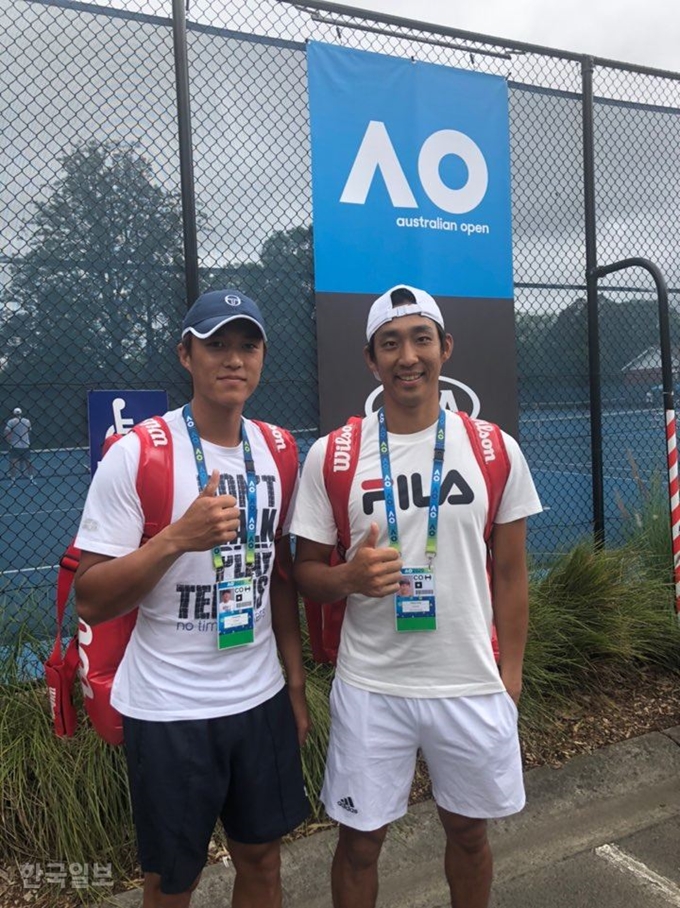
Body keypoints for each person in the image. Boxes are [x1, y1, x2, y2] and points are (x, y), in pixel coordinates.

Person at [292, 284, 542, 908]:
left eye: (421, 339)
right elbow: (303, 573)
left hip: (468, 682)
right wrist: (347, 578)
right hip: (372, 686)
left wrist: (508, 674)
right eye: (391, 343)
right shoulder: (335, 454)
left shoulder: (493, 448)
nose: (408, 356)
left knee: (468, 835)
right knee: (358, 844)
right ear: (371, 360)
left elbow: (511, 573)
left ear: (446, 349)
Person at [74, 288, 310, 908]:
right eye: (217, 345)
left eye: (247, 345)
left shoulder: (279, 450)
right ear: (186, 355)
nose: (234, 359)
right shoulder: (136, 454)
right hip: (170, 708)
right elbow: (90, 598)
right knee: (173, 880)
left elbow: (278, 577)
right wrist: (178, 537)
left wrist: (295, 685)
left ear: (262, 357)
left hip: (258, 699)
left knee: (262, 859)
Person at [4, 407, 35, 483]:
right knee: (28, 462)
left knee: (14, 463)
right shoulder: (27, 421)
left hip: (15, 446)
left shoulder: (11, 422)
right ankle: (31, 479)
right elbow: (29, 432)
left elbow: (6, 432)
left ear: (13, 414)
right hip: (25, 445)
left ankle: (13, 481)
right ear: (21, 413)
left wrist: (9, 442)